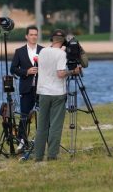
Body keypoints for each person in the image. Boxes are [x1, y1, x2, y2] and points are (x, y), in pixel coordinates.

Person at [33, 29, 81, 162]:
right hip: (57, 93)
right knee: (55, 125)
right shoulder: (61, 54)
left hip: (42, 92)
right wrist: (73, 71)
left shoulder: (42, 51)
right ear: (63, 41)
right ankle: (52, 155)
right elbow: (60, 73)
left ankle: (38, 155)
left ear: (51, 39)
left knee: (42, 126)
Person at [10, 25, 43, 150]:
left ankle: (40, 140)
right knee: (24, 115)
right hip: (26, 88)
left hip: (41, 88)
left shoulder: (43, 50)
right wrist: (26, 71)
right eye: (31, 34)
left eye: (35, 34)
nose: (34, 37)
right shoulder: (20, 51)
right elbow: (13, 69)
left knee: (42, 115)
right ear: (26, 36)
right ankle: (22, 141)